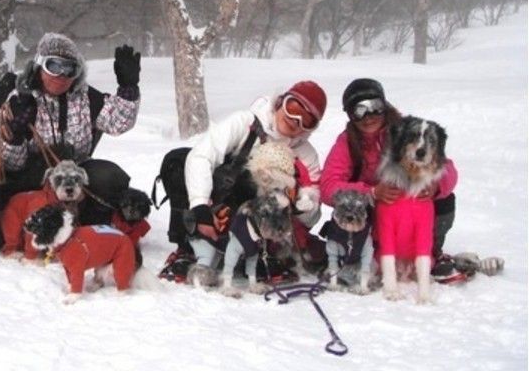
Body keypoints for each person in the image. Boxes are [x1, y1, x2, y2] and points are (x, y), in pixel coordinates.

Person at [158, 80, 328, 283]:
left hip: (260, 220)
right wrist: (200, 205)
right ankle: (188, 249)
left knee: (267, 183)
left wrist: (303, 204)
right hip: (220, 200)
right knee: (177, 161)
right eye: (293, 108)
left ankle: (260, 254)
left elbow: (312, 217)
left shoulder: (307, 156)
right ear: (280, 102)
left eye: (307, 120)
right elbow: (202, 156)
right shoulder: (245, 123)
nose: (295, 121)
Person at [0, 33, 141, 244]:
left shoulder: (87, 97)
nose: (61, 75)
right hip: (29, 177)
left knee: (111, 177)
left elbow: (118, 123)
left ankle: (88, 220)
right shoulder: (18, 99)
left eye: (70, 69)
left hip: (73, 172)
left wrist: (128, 88)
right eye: (54, 66)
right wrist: (16, 133)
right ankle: (6, 224)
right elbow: (9, 163)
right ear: (39, 66)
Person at [319, 78, 462, 282]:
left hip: (413, 205)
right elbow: (327, 186)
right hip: (376, 212)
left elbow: (445, 165)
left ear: (384, 105)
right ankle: (366, 255)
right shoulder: (348, 143)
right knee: (354, 209)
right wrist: (371, 193)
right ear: (350, 115)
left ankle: (430, 252)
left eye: (375, 107)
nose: (368, 117)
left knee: (445, 200)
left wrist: (436, 185)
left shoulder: (409, 129)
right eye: (358, 111)